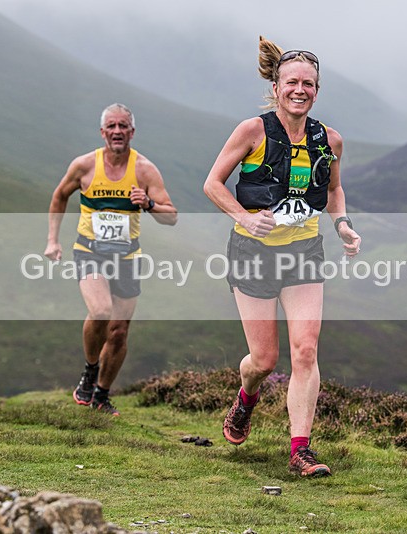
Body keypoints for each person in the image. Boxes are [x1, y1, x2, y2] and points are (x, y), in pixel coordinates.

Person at [203, 37, 361, 476]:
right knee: (264, 361)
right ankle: (246, 397)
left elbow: (332, 190)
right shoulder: (252, 131)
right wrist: (245, 218)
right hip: (252, 254)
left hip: (304, 253)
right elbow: (213, 184)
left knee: (306, 350)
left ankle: (300, 450)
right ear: (276, 86)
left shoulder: (329, 140)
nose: (300, 89)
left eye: (308, 83)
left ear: (316, 90)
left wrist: (343, 224)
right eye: (291, 81)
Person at [45, 103, 177, 416]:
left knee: (118, 332)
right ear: (102, 132)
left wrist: (147, 203)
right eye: (112, 127)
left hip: (127, 256)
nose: (117, 132)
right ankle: (90, 371)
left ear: (132, 132)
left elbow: (171, 216)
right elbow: (59, 196)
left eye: (123, 127)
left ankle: (101, 396)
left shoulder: (144, 169)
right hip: (90, 251)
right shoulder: (84, 166)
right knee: (101, 311)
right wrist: (52, 240)